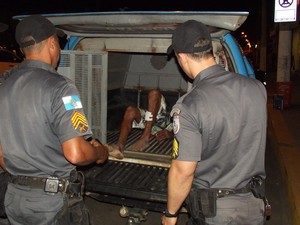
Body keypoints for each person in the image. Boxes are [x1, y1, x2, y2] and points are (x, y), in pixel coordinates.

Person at [0, 15, 109, 225]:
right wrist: (99, 152)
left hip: (14, 197)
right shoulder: (62, 88)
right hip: (51, 204)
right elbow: (76, 153)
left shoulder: (4, 86)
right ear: (52, 43)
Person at [161, 20, 268, 225]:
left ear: (181, 57)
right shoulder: (257, 89)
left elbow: (183, 171)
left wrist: (171, 214)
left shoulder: (189, 105)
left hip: (215, 213)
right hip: (254, 205)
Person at [107, 89, 173, 159]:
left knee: (154, 93)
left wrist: (171, 134)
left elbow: (182, 129)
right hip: (150, 122)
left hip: (163, 123)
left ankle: (144, 138)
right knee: (130, 110)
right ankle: (120, 145)